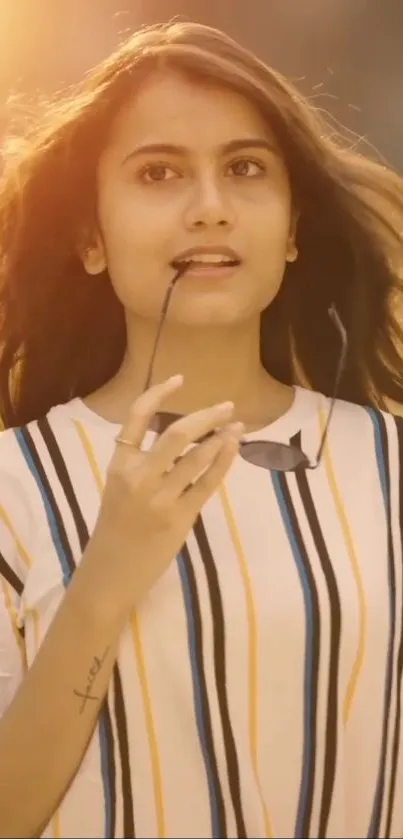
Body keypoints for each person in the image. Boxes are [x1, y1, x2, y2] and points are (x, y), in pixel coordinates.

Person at [0, 18, 403, 839]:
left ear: (291, 229)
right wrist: (107, 571)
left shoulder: (390, 466)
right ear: (89, 237)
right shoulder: (13, 488)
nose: (210, 208)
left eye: (246, 169)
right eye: (158, 173)